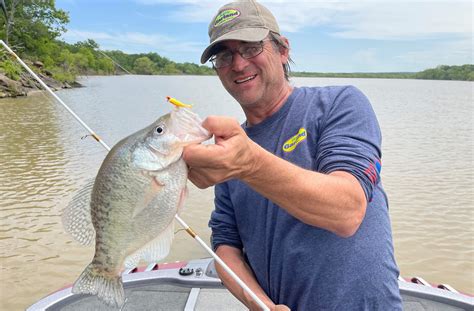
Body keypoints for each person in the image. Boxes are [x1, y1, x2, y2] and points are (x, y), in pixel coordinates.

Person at [183, 1, 403, 310]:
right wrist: (259, 303)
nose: (238, 64)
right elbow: (225, 245)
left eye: (250, 47)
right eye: (224, 55)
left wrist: (247, 163)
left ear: (282, 49)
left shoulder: (339, 104)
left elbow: (347, 210)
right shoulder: (230, 148)